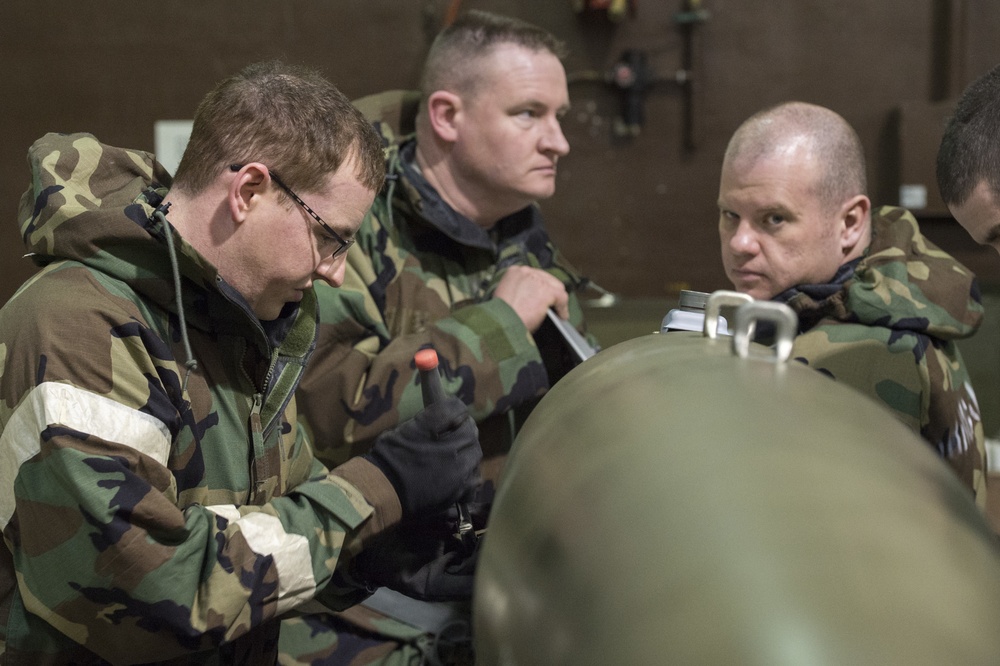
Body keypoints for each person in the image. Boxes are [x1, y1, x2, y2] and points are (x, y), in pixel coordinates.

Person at [0, 60, 482, 664]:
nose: (334, 269)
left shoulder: (237, 332)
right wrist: (379, 486)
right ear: (249, 191)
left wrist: (378, 552)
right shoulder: (78, 326)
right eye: (330, 236)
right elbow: (157, 595)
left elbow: (265, 530)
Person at [284, 10, 595, 664]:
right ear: (448, 117)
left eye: (560, 115)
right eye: (530, 113)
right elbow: (334, 409)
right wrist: (501, 326)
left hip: (490, 601)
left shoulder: (518, 235)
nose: (558, 141)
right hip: (357, 619)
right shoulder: (347, 225)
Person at [717, 101, 986, 505]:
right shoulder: (895, 294)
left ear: (850, 222)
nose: (739, 243)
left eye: (774, 219)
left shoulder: (860, 354)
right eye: (729, 215)